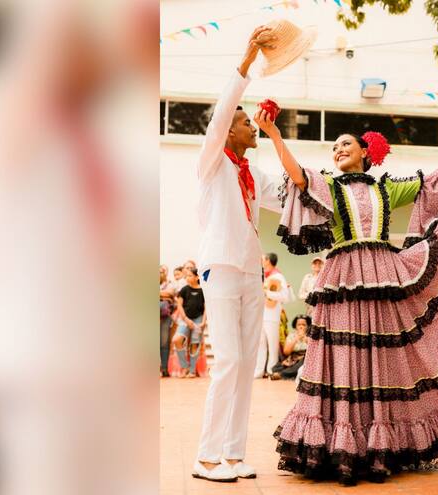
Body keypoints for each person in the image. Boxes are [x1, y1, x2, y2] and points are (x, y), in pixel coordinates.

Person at [258, 109, 438, 484]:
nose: (337, 150)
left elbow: (436, 182)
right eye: (333, 147)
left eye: (344, 144)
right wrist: (273, 134)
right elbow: (297, 174)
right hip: (344, 275)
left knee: (380, 356)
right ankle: (340, 441)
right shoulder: (330, 185)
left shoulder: (385, 187)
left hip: (381, 271)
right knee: (344, 356)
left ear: (365, 150)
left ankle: (378, 442)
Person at [189, 26, 285, 483]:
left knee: (246, 365)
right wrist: (246, 62)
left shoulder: (254, 172)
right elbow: (221, 113)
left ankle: (232, 454)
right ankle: (206, 457)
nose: (251, 127)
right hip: (220, 269)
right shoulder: (212, 161)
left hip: (249, 272)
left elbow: (289, 195)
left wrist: (274, 133)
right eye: (246, 123)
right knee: (227, 360)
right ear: (229, 131)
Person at [255, 253, 292, 378]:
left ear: (268, 261)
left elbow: (284, 296)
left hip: (272, 316)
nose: (261, 261)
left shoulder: (278, 276)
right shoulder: (263, 276)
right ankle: (259, 371)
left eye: (263, 259)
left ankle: (272, 370)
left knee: (272, 344)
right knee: (260, 344)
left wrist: (266, 292)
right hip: (260, 314)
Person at [172, 267, 207, 378]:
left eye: (190, 275)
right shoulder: (184, 290)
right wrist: (186, 320)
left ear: (197, 277)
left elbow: (206, 308)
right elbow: (179, 306)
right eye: (186, 276)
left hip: (198, 319)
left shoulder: (203, 291)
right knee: (176, 340)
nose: (187, 278)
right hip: (184, 319)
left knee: (195, 344)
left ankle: (191, 371)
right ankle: (185, 367)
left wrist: (203, 322)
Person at [269, 315, 310, 380]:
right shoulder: (292, 335)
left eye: (304, 325)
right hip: (292, 359)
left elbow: (313, 350)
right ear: (295, 326)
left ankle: (281, 374)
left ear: (308, 326)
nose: (301, 326)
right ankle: (285, 373)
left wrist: (305, 338)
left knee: (302, 364)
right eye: (299, 325)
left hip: (304, 359)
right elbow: (286, 352)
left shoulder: (310, 336)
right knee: (276, 368)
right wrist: (296, 338)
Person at [160, 265, 177, 377]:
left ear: (166, 273)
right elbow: (167, 295)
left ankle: (165, 369)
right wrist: (164, 295)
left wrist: (166, 295)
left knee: (164, 342)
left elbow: (171, 293)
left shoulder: (171, 283)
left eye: (162, 271)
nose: (160, 273)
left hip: (165, 316)